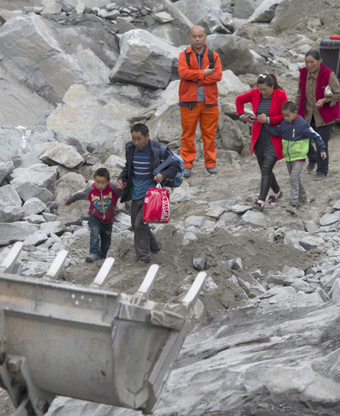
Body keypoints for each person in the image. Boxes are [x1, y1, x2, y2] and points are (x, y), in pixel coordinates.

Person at [117, 123, 179, 266]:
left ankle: (143, 257)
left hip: (151, 194)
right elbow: (128, 167)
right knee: (136, 224)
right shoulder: (130, 148)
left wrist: (163, 175)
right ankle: (155, 246)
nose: (136, 142)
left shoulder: (158, 150)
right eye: (133, 138)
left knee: (140, 223)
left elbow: (174, 166)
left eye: (139, 139)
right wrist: (121, 178)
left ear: (147, 136)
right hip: (135, 192)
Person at [235, 74, 288, 212]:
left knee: (266, 168)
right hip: (259, 137)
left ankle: (261, 200)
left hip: (275, 136)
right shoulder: (255, 93)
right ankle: (277, 191)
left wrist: (268, 120)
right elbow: (239, 100)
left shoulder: (280, 95)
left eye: (265, 89)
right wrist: (241, 115)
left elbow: (285, 116)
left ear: (272, 87)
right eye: (260, 89)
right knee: (265, 169)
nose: (262, 92)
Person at [178, 25, 222, 178]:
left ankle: (211, 164)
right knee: (188, 135)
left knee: (209, 135)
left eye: (200, 36)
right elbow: (183, 73)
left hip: (210, 102)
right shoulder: (184, 55)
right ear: (190, 38)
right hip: (189, 102)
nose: (197, 39)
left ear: (205, 37)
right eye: (194, 36)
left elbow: (218, 76)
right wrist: (203, 73)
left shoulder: (213, 55)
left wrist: (197, 78)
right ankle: (187, 164)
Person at [268, 101, 327, 214]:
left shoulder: (302, 124)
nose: (285, 118)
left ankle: (293, 204)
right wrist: (265, 125)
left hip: (299, 158)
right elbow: (277, 131)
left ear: (295, 113)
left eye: (288, 115)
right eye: (284, 115)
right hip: (288, 158)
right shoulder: (284, 123)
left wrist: (322, 149)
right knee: (295, 179)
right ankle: (304, 199)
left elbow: (316, 136)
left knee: (293, 179)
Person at [294, 49, 340, 181]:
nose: (309, 65)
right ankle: (313, 158)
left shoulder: (328, 74)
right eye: (306, 62)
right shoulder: (303, 74)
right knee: (302, 139)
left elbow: (338, 93)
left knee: (322, 143)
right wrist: (295, 113)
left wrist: (325, 100)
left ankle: (322, 170)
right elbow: (299, 93)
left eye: (312, 62)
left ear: (319, 61)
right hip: (307, 115)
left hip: (324, 116)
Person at [65, 168, 122, 263]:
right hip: (95, 217)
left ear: (108, 181)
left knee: (106, 242)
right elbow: (79, 194)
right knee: (94, 232)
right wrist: (70, 200)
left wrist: (125, 186)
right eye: (97, 182)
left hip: (108, 221)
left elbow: (125, 192)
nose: (100, 185)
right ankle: (93, 254)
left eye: (103, 182)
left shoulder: (113, 188)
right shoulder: (90, 189)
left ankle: (102, 256)